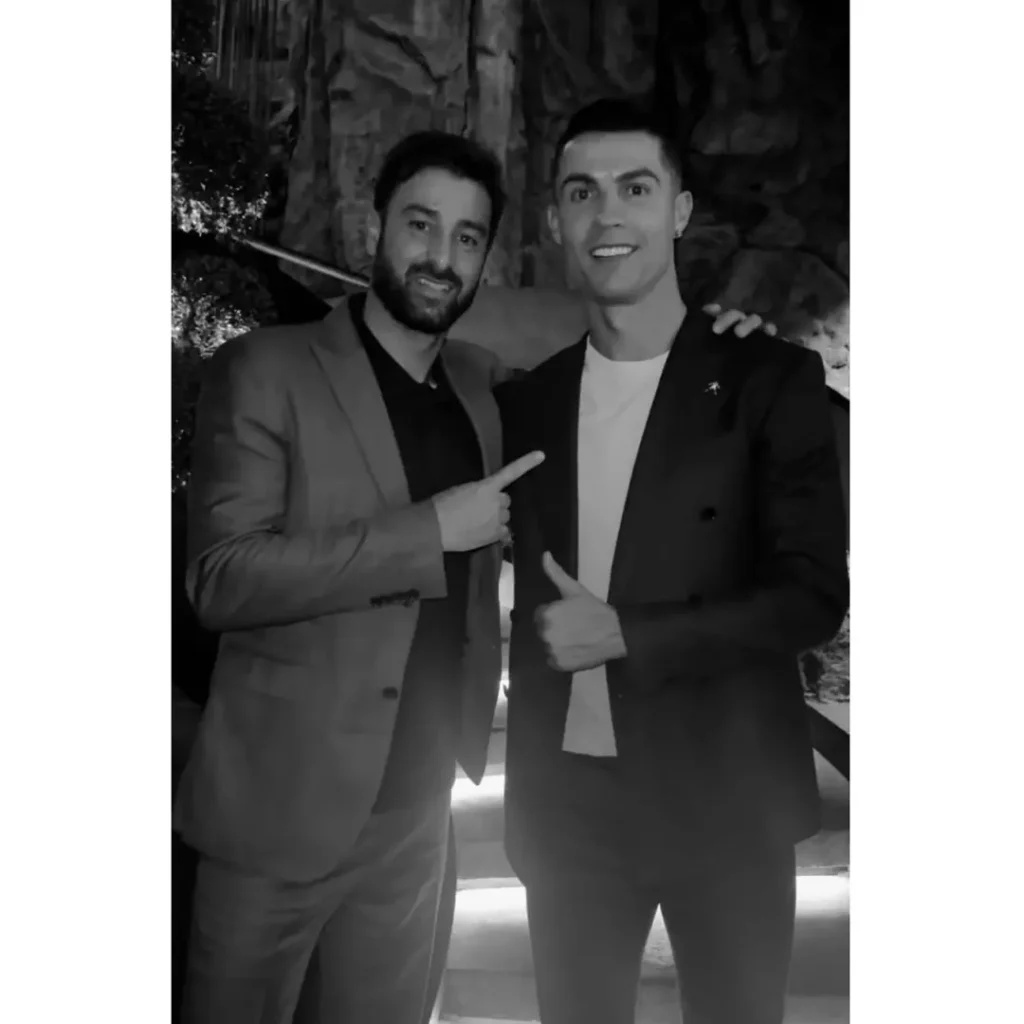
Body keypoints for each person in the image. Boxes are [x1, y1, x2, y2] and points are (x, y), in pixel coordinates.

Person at [175, 124, 771, 1024]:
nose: (440, 258)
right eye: (420, 225)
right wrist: (430, 532)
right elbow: (221, 579)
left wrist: (718, 344)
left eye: (466, 237)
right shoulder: (267, 367)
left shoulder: (484, 389)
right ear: (374, 227)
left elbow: (613, 362)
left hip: (417, 818)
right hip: (275, 815)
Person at [498, 98, 849, 1024]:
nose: (607, 215)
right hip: (570, 815)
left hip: (726, 803)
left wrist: (629, 635)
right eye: (583, 192)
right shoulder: (527, 404)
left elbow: (812, 595)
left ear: (680, 210)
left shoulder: (769, 381)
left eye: (635, 188)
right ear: (556, 219)